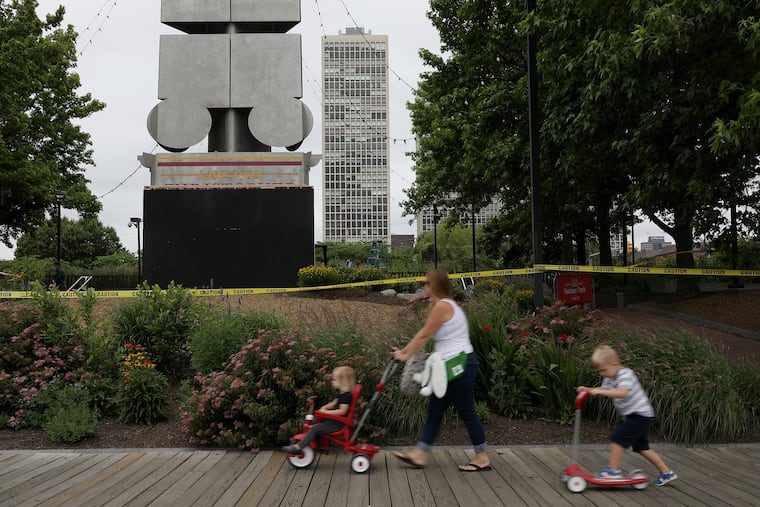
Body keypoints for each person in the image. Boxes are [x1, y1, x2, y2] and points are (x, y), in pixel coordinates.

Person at [390, 269, 491, 472]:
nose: (424, 285)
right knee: (435, 411)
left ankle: (482, 457)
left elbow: (423, 336)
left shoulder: (442, 306)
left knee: (467, 412)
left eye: (427, 282)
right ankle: (420, 454)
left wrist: (404, 354)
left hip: (458, 366)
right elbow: (424, 336)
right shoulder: (444, 305)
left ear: (434, 286)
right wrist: (404, 351)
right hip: (450, 367)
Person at [577, 345, 678, 486]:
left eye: (603, 370)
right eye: (600, 371)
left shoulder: (625, 374)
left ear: (615, 364)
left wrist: (599, 392)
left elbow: (622, 393)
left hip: (640, 415)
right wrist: (589, 390)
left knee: (617, 438)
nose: (602, 374)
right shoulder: (610, 376)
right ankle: (667, 473)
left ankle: (613, 471)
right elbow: (605, 388)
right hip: (636, 416)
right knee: (642, 448)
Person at [282, 366, 356, 454]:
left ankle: (298, 448)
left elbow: (342, 411)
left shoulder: (346, 396)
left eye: (334, 380)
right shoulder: (342, 394)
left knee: (314, 429)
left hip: (336, 424)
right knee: (314, 423)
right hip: (333, 421)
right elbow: (333, 403)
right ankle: (319, 445)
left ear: (343, 382)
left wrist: (326, 412)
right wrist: (324, 408)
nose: (332, 382)